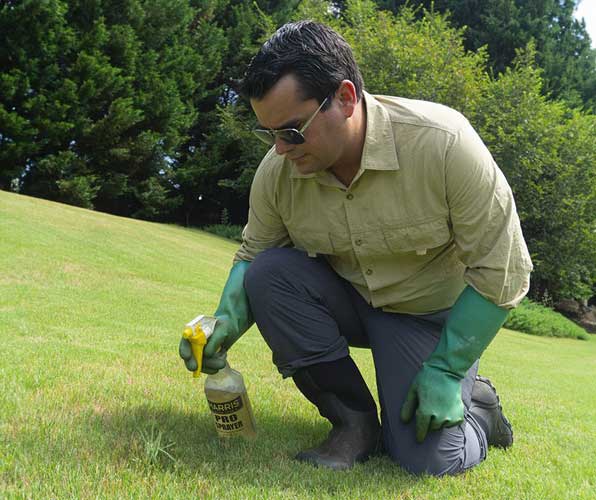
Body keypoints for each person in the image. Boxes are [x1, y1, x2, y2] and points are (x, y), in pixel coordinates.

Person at [179, 20, 533, 475]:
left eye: (291, 131)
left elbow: (503, 271)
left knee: (427, 458)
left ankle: (478, 408)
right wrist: (222, 324)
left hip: (425, 319)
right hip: (346, 301)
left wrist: (445, 369)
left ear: (345, 98)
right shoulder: (277, 171)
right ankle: (354, 424)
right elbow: (252, 257)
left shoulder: (443, 144)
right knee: (270, 273)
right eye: (269, 134)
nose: (280, 150)